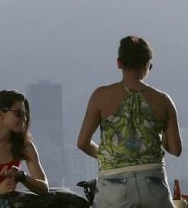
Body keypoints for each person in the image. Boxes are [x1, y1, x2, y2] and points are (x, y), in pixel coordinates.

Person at [77, 35, 182, 207]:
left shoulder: (101, 96)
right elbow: (175, 149)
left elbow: (82, 142)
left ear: (119, 63)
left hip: (113, 185)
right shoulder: (163, 100)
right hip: (153, 183)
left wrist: (109, 155)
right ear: (147, 64)